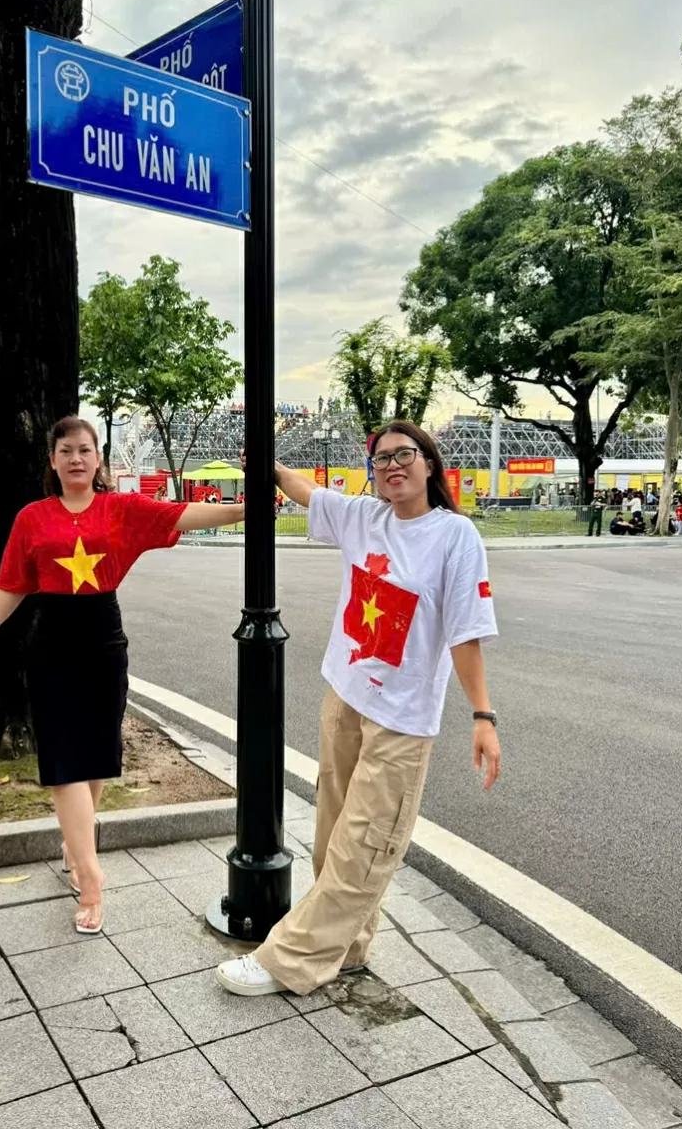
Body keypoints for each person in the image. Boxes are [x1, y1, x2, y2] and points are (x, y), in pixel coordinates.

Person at [216, 420, 501, 998]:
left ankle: (291, 960)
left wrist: (482, 716)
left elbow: (466, 632)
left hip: (402, 716)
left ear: (429, 464)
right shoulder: (365, 518)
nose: (392, 465)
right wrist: (269, 465)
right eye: (381, 458)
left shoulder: (455, 535)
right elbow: (306, 492)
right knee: (333, 833)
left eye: (404, 454)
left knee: (365, 844)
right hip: (346, 697)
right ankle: (347, 946)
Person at [0, 417, 243, 935]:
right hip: (50, 646)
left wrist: (249, 505)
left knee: (95, 757)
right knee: (62, 761)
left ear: (98, 459)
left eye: (85, 450)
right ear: (52, 460)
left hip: (103, 643)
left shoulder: (121, 510)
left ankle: (76, 843)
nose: (76, 459)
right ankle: (90, 879)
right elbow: (9, 587)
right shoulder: (32, 518)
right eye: (65, 450)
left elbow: (183, 514)